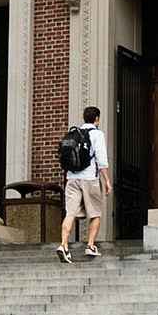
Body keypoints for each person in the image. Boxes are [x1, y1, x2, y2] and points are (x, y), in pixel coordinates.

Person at [56, 106, 112, 263]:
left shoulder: (75, 133)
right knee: (95, 212)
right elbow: (101, 160)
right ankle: (91, 245)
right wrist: (107, 180)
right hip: (89, 179)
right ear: (97, 119)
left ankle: (64, 245)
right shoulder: (97, 134)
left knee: (70, 213)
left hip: (72, 178)